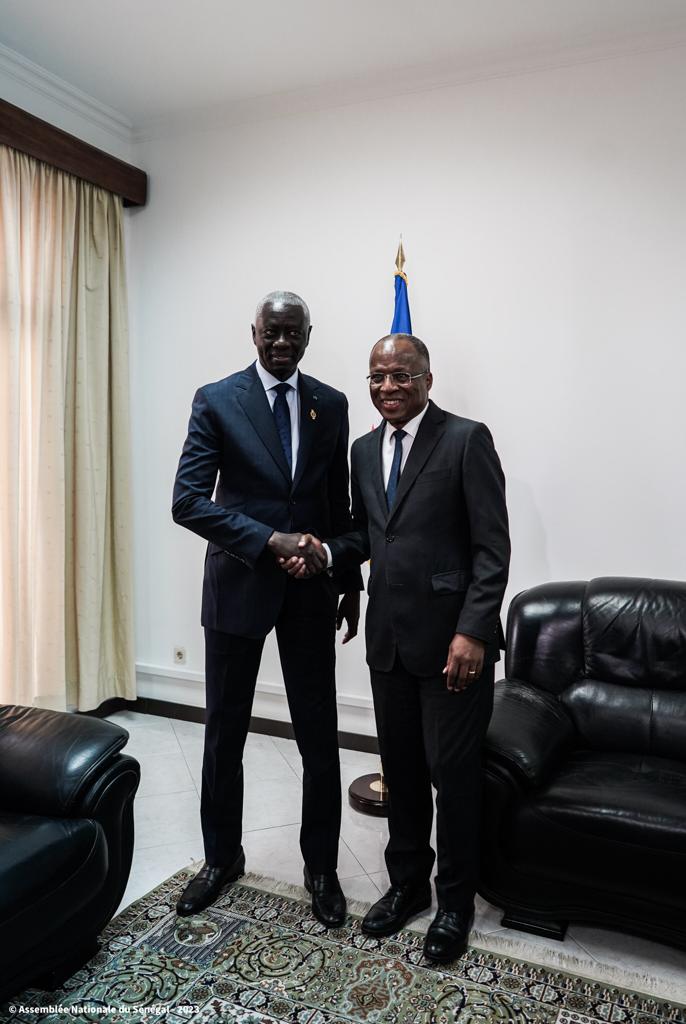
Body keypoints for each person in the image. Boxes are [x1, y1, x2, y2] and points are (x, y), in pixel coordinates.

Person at [283, 333, 509, 962]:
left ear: (427, 379)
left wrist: (473, 632)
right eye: (377, 377)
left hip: (452, 648)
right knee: (402, 774)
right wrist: (328, 553)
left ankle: (456, 902)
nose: (388, 387)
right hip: (389, 641)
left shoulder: (466, 439)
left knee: (453, 778)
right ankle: (408, 884)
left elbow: (492, 550)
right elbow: (365, 533)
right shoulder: (361, 450)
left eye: (401, 376)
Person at [171, 291, 361, 926]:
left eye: (293, 334)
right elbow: (189, 501)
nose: (281, 344)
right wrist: (265, 540)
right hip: (238, 587)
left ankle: (321, 867)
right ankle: (220, 859)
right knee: (225, 733)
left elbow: (339, 508)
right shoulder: (217, 399)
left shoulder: (330, 404)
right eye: (270, 333)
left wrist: (349, 583)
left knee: (318, 737)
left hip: (309, 593)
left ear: (309, 334)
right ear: (253, 332)